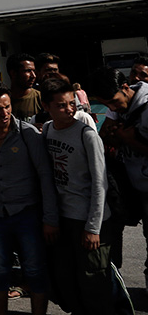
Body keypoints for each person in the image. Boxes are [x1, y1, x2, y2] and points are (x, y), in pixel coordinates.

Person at [40, 76, 133, 314]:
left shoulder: (86, 135)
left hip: (89, 220)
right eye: (61, 105)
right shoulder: (47, 131)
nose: (69, 109)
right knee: (67, 281)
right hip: (63, 219)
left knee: (95, 283)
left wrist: (93, 227)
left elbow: (99, 183)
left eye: (72, 103)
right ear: (46, 107)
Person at [0, 81, 58, 315]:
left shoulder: (28, 134)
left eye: (7, 107)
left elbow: (45, 176)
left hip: (28, 213)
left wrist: (49, 218)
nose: (4, 113)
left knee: (35, 270)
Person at [88, 67, 148, 289]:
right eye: (107, 105)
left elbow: (117, 136)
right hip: (132, 186)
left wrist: (126, 139)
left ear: (125, 88)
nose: (112, 108)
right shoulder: (118, 106)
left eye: (114, 101)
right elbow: (106, 135)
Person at [7, 53, 42, 121]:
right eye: (28, 71)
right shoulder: (4, 101)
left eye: (34, 71)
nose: (33, 76)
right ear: (13, 73)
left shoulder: (40, 98)